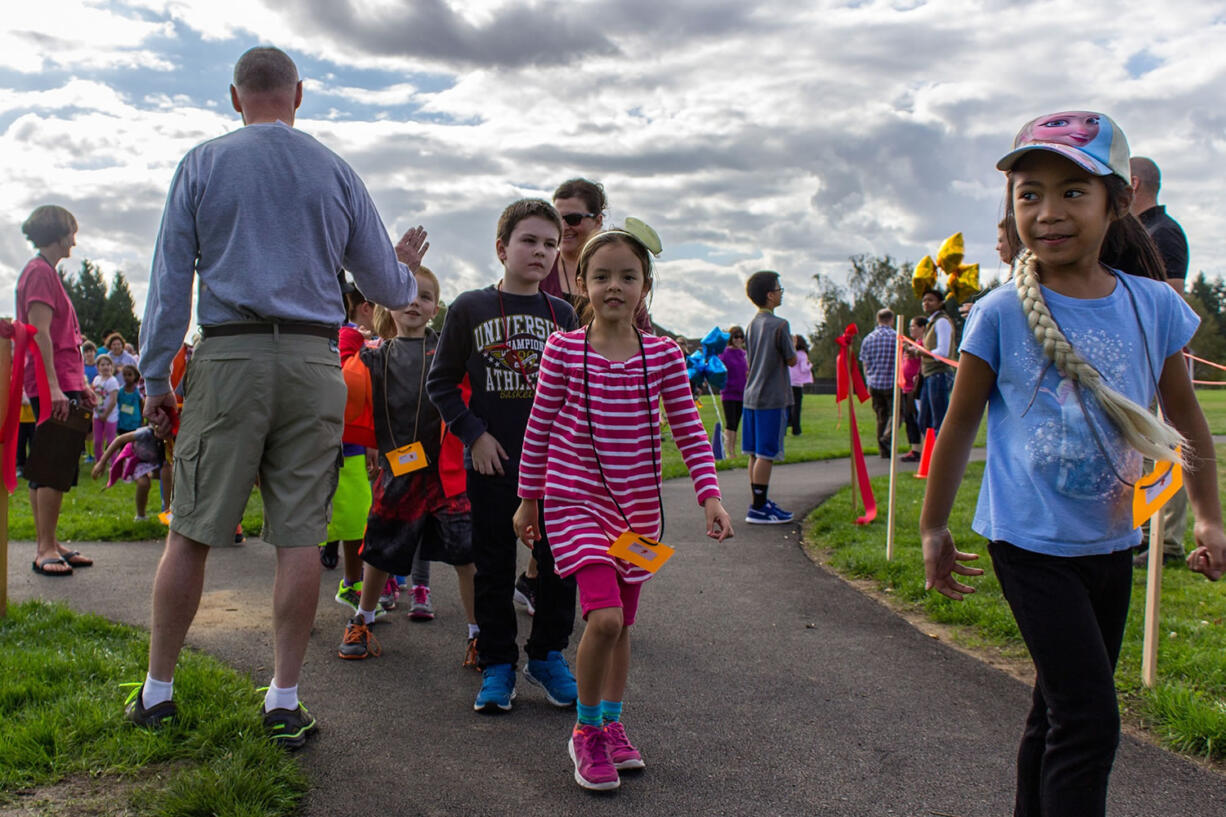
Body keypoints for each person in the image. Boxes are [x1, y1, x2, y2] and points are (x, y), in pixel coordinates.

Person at [920, 110, 1226, 817]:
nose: (1047, 212)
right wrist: (934, 527)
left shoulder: (1152, 306)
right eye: (1029, 194)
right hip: (1028, 544)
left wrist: (1208, 515)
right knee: (1089, 719)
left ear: (1117, 202)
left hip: (1112, 542)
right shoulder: (998, 313)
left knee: (1056, 708)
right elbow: (958, 424)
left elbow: (1186, 418)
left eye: (1072, 192)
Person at [128, 46, 422, 749]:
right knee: (298, 536)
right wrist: (406, 273)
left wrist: (154, 380)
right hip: (313, 360)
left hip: (228, 352)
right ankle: (283, 699)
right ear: (299, 93)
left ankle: (158, 691)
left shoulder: (201, 163)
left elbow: (171, 282)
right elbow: (385, 284)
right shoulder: (334, 168)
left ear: (236, 97)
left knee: (192, 528)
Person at [513, 225, 733, 791]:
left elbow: (688, 428)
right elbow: (538, 429)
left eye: (628, 276)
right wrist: (528, 499)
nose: (615, 285)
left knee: (623, 626)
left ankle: (611, 722)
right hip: (573, 503)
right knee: (603, 618)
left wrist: (709, 496)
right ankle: (585, 732)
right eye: (602, 275)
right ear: (581, 283)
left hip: (637, 514)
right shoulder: (563, 348)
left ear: (646, 287)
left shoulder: (661, 355)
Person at [426, 198, 581, 714]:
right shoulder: (469, 308)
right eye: (529, 241)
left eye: (551, 244)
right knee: (493, 564)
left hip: (555, 467)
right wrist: (473, 435)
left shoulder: (563, 314)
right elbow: (441, 383)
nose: (540, 251)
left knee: (558, 563)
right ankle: (496, 663)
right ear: (501, 248)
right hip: (493, 463)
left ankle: (547, 656)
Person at [337, 268, 478, 665]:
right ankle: (362, 618)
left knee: (467, 555)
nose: (416, 302)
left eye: (426, 296)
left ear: (436, 308)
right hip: (397, 471)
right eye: (407, 294)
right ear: (386, 305)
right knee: (380, 549)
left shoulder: (450, 355)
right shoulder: (374, 356)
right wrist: (348, 340)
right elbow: (344, 387)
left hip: (447, 475)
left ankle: (478, 633)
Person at [17, 204, 97, 576]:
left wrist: (80, 385)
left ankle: (49, 541)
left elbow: (65, 339)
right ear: (60, 233)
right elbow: (40, 334)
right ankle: (44, 547)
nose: (75, 241)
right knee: (52, 464)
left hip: (64, 382)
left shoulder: (46, 272)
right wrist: (55, 388)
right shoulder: (39, 273)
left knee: (52, 464)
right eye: (72, 233)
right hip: (53, 384)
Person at [1130, 155, 1192, 567]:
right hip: (1142, 360)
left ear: (1133, 184)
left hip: (1160, 360)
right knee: (1145, 446)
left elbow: (1170, 301)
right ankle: (1146, 530)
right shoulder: (1139, 232)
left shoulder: (1163, 233)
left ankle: (1167, 542)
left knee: (1169, 446)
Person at [742, 270, 796, 524]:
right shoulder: (780, 325)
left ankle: (759, 501)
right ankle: (759, 508)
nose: (781, 291)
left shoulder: (751, 324)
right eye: (779, 288)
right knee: (767, 453)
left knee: (754, 452)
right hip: (772, 396)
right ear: (770, 295)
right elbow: (791, 358)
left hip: (751, 394)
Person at [91, 424, 171, 521]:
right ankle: (141, 516)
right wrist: (102, 463)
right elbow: (119, 440)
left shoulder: (169, 438)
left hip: (156, 462)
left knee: (168, 473)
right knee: (144, 484)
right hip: (137, 460)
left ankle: (167, 514)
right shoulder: (145, 433)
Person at [859, 309, 898, 458]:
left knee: (881, 417)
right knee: (896, 414)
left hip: (875, 383)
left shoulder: (868, 338)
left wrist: (868, 380)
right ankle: (887, 438)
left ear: (878, 319)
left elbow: (865, 363)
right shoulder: (896, 337)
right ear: (891, 319)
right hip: (892, 382)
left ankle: (883, 451)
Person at [918, 288, 955, 436]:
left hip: (939, 373)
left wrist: (920, 352)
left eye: (931, 300)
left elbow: (943, 352)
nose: (926, 303)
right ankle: (930, 453)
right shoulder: (931, 322)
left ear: (940, 303)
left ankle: (943, 455)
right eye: (924, 300)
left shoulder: (941, 322)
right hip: (929, 374)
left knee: (938, 420)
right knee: (925, 421)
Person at [898, 317, 925, 462]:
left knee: (918, 418)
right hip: (906, 387)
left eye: (913, 326)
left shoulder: (922, 344)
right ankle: (915, 449)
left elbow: (921, 355)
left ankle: (924, 449)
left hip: (915, 388)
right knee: (909, 419)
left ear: (922, 328)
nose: (911, 329)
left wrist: (908, 347)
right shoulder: (913, 344)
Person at [718, 325, 747, 456]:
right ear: (731, 338)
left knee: (736, 424)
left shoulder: (744, 354)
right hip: (729, 393)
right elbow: (719, 370)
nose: (738, 339)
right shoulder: (724, 353)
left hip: (742, 393)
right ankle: (729, 450)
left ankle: (732, 449)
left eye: (741, 337)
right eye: (736, 336)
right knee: (731, 423)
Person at [91, 354, 120, 461]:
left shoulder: (113, 381)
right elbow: (94, 395)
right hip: (97, 415)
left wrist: (105, 414)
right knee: (97, 441)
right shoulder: (96, 379)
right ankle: (99, 462)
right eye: (102, 365)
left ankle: (114, 463)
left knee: (111, 441)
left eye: (108, 364)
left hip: (110, 416)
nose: (106, 367)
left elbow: (113, 401)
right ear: (98, 367)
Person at [787, 335, 813, 436]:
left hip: (788, 382)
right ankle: (796, 430)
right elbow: (803, 369)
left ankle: (784, 428)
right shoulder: (802, 355)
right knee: (796, 408)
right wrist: (809, 365)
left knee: (787, 407)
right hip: (797, 383)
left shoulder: (790, 353)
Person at [116, 365, 143, 434]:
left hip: (134, 423)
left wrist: (142, 421)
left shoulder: (138, 392)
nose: (127, 377)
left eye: (129, 375)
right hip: (122, 423)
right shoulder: (120, 391)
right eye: (124, 375)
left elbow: (141, 406)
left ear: (135, 376)